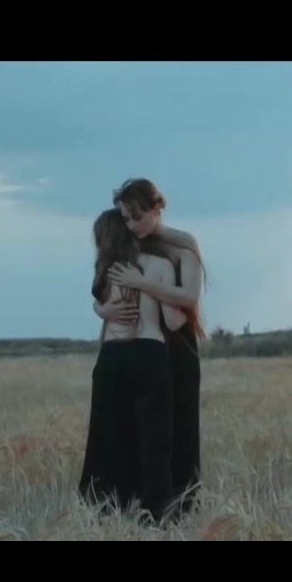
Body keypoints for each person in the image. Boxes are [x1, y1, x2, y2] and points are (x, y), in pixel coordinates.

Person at [95, 177, 207, 516]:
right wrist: (102, 310)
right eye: (126, 219)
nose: (132, 225)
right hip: (144, 347)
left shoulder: (183, 245)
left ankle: (182, 506)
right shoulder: (130, 242)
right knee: (137, 429)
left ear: (157, 208)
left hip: (177, 343)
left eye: (138, 217)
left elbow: (189, 296)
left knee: (180, 427)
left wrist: (142, 283)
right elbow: (104, 286)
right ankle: (139, 505)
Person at [78, 208, 188, 525]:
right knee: (154, 439)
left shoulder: (106, 271)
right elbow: (172, 321)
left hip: (112, 358)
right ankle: (154, 515)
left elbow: (99, 303)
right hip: (149, 354)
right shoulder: (161, 265)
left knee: (109, 436)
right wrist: (190, 311)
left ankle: (107, 510)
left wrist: (101, 309)